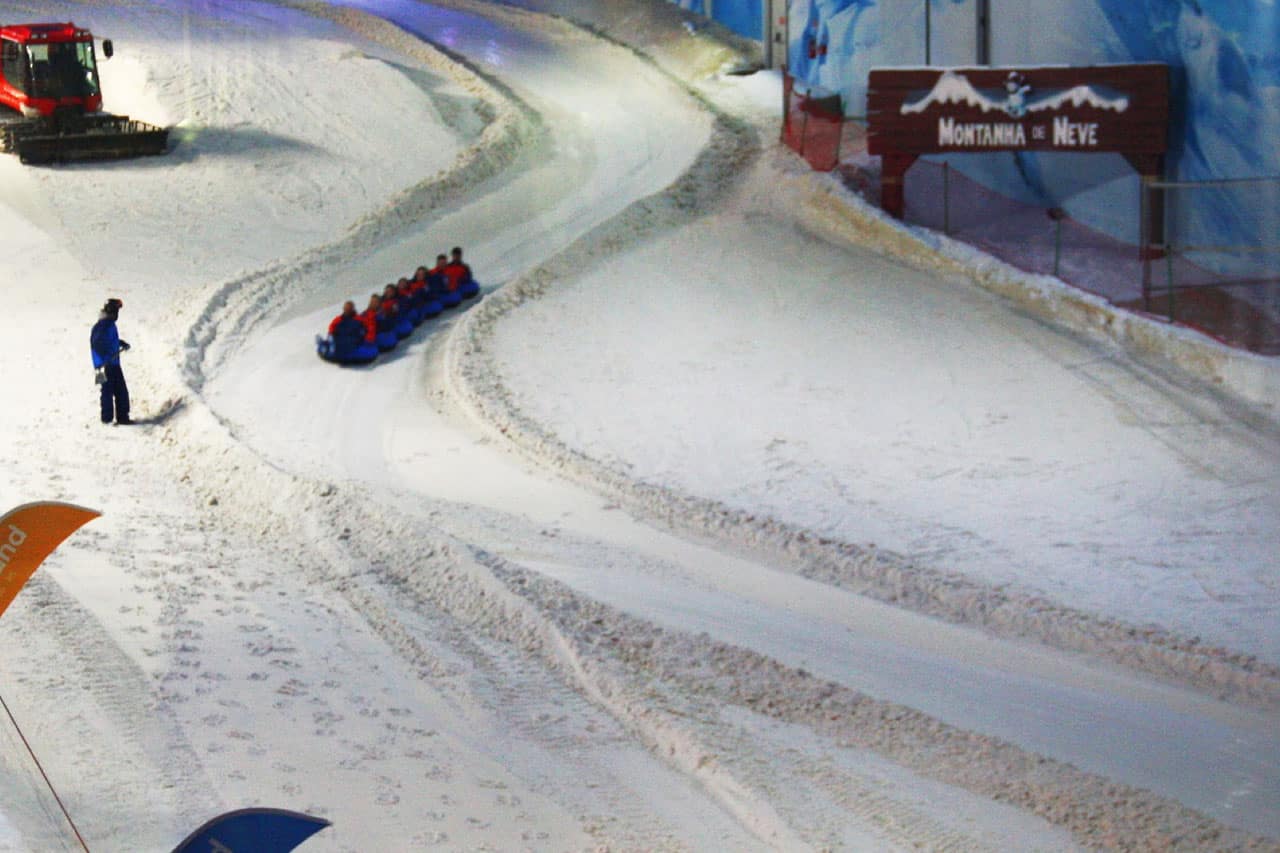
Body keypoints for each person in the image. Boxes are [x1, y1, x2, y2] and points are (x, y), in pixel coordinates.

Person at [89, 298, 131, 425]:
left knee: (119, 390)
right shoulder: (103, 325)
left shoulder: (108, 324)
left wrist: (120, 343)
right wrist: (106, 356)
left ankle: (121, 417)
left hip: (112, 363)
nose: (117, 314)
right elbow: (97, 343)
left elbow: (110, 340)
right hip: (105, 365)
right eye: (116, 311)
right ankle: (107, 419)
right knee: (108, 391)